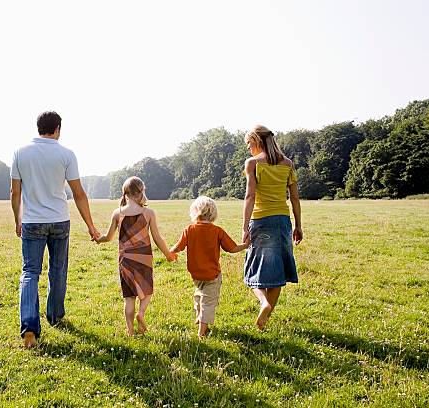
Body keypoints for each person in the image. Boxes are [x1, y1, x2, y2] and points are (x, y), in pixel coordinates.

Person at [10, 111, 101, 348]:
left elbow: (15, 193)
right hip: (60, 220)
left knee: (30, 272)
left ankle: (29, 329)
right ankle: (55, 317)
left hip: (32, 221)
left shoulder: (20, 153)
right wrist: (91, 226)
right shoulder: (66, 154)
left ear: (38, 127)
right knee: (58, 270)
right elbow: (79, 194)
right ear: (58, 128)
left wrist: (17, 219)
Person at [95, 176, 177, 335]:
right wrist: (168, 254)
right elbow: (157, 238)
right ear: (141, 192)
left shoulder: (117, 213)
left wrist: (99, 239)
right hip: (144, 258)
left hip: (125, 260)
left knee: (129, 298)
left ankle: (130, 331)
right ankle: (141, 313)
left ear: (125, 193)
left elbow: (109, 237)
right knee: (147, 291)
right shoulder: (148, 213)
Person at [241, 124, 302, 331]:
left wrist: (244, 227)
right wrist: (298, 225)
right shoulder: (288, 164)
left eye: (249, 143)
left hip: (260, 220)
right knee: (278, 269)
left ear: (257, 141)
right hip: (283, 221)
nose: (249, 148)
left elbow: (250, 196)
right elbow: (294, 197)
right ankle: (265, 319)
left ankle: (263, 303)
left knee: (252, 268)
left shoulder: (252, 163)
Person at [170, 196, 248, 338]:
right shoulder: (217, 231)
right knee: (208, 302)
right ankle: (202, 332)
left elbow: (178, 247)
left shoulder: (189, 229)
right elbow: (232, 248)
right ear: (213, 214)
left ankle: (199, 316)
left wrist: (170, 252)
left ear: (194, 212)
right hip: (212, 275)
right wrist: (247, 245)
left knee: (199, 295)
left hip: (195, 274)